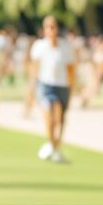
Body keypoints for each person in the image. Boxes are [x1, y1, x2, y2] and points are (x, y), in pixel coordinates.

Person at [28, 15, 75, 163]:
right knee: (49, 118)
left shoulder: (65, 47)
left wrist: (72, 87)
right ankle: (52, 144)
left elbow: (70, 69)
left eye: (53, 27)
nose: (51, 30)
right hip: (45, 85)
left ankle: (56, 147)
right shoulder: (39, 46)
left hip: (62, 85)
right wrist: (32, 87)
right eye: (48, 27)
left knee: (59, 119)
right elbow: (34, 69)